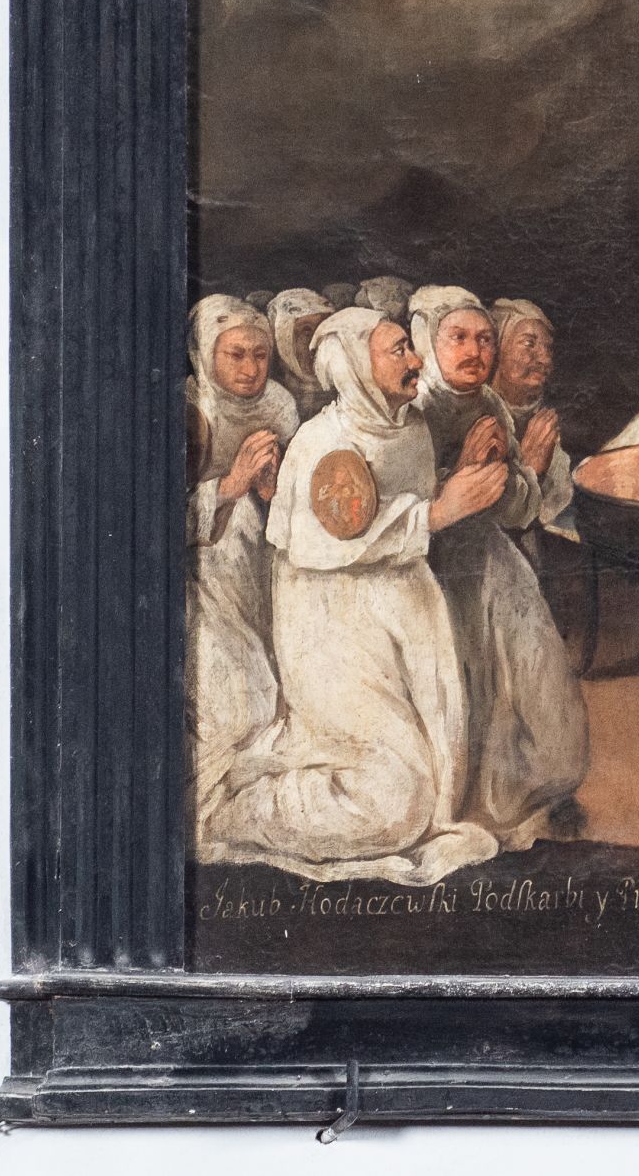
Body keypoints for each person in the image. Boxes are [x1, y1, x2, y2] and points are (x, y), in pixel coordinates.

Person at [201, 310, 510, 885]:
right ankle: (239, 813)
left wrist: (452, 488)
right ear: (356, 367)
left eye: (410, 347)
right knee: (396, 803)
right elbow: (330, 543)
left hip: (402, 615)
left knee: (439, 776)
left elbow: (402, 511)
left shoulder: (408, 426)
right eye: (398, 350)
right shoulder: (325, 442)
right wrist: (437, 513)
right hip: (335, 630)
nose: (416, 360)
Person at [410, 287, 588, 844]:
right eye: (458, 338)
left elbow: (515, 510)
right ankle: (460, 805)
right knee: (461, 688)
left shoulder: (489, 405)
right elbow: (405, 513)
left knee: (534, 675)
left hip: (488, 560)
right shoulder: (412, 409)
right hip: (427, 572)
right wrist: (459, 476)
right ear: (429, 342)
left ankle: (529, 789)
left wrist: (523, 471)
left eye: (485, 339)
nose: (474, 351)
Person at [184, 296, 296, 833]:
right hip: (204, 573)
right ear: (207, 353)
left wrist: (272, 490)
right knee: (237, 697)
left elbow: (294, 496)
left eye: (260, 355)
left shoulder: (280, 406)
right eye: (236, 355)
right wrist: (229, 486)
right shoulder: (188, 408)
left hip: (263, 561)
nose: (251, 369)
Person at [489, 298, 576, 539]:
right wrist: (529, 469)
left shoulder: (542, 419)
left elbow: (555, 505)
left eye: (548, 349)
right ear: (496, 349)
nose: (545, 360)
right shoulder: (476, 416)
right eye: (529, 344)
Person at [265, 285, 335, 419]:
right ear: (284, 338)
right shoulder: (267, 396)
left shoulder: (344, 386)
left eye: (322, 327)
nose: (316, 339)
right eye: (306, 330)